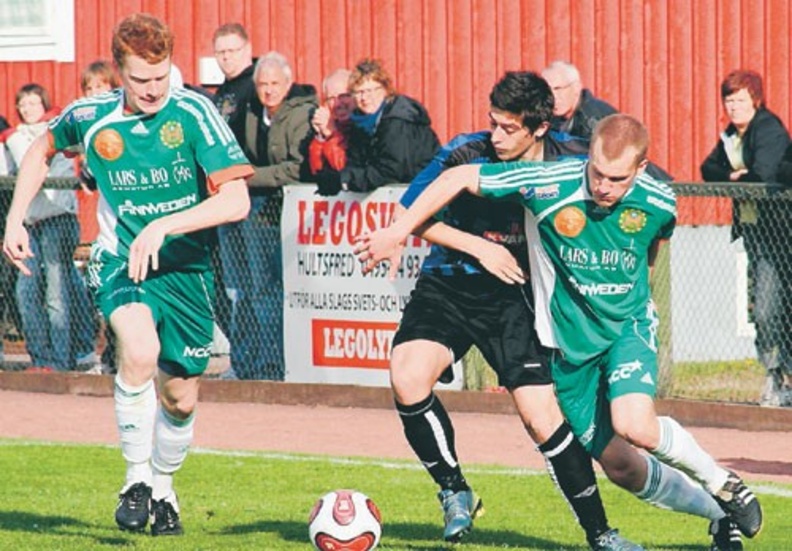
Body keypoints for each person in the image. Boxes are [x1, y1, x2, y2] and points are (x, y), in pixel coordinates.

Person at [357, 114, 763, 551]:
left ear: (641, 170)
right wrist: (397, 231)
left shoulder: (660, 201)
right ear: (588, 159)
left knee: (635, 424)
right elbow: (456, 176)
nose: (604, 186)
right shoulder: (548, 181)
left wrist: (628, 304)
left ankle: (723, 482)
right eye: (598, 173)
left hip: (625, 329)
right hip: (568, 349)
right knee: (622, 468)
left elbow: (647, 251)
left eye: (617, 179)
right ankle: (720, 513)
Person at [2, 13, 252, 535]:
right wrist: (15, 218)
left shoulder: (195, 112)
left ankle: (163, 488)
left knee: (181, 394)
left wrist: (165, 226)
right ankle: (135, 480)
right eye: (140, 80)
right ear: (119, 72)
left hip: (187, 267)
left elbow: (236, 201)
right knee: (138, 351)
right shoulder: (91, 115)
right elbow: (40, 151)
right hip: (121, 258)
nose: (153, 90)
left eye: (161, 77)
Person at [388, 71, 637, 550]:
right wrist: (478, 247)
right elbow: (413, 213)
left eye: (509, 128)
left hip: (518, 296)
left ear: (539, 128)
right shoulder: (465, 152)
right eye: (493, 124)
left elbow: (632, 183)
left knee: (541, 417)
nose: (496, 136)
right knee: (406, 375)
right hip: (451, 284)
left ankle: (601, 533)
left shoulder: (574, 159)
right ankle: (454, 489)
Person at [219, 50, 317, 380]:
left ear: (288, 84)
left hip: (280, 211)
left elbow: (298, 168)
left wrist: (252, 176)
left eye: (275, 83)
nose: (268, 90)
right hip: (248, 208)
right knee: (242, 290)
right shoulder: (250, 111)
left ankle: (274, 365)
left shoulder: (300, 115)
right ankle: (247, 363)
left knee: (268, 291)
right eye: (262, 84)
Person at [701, 69, 792, 408]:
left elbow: (764, 175)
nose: (734, 107)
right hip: (755, 233)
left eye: (739, 100)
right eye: (729, 100)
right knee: (766, 308)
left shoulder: (767, 128)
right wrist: (732, 175)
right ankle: (776, 375)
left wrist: (740, 178)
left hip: (780, 232)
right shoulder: (731, 135)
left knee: (772, 307)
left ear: (754, 99)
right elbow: (707, 170)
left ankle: (781, 376)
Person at [3, 83, 96, 372]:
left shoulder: (58, 131)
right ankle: (41, 358)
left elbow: (48, 167)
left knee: (58, 292)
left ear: (44, 104)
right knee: (26, 292)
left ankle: (62, 359)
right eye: (23, 104)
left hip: (57, 220)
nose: (28, 109)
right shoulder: (14, 137)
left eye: (33, 103)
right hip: (30, 225)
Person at [314, 58, 440, 196]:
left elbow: (390, 171)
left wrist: (344, 180)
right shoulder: (361, 124)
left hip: (423, 197)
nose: (365, 98)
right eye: (359, 92)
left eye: (371, 91)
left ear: (386, 90)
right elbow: (355, 163)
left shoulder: (397, 121)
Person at [541, 61, 618, 140]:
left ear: (576, 87)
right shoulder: (550, 117)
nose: (553, 96)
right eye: (547, 90)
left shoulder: (593, 120)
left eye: (558, 89)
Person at [308, 68, 354, 174]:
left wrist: (332, 134)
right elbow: (316, 171)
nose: (338, 104)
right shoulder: (332, 125)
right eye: (331, 98)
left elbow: (344, 169)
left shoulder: (364, 128)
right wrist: (321, 138)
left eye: (343, 96)